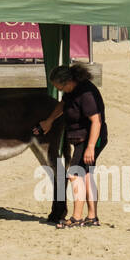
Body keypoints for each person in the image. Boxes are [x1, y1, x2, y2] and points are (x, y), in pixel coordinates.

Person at [32, 63, 107, 229]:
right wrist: (49, 121)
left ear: (68, 82)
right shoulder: (72, 90)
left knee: (75, 174)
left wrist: (90, 147)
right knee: (86, 175)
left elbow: (97, 121)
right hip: (82, 138)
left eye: (60, 87)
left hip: (91, 138)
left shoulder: (86, 93)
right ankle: (92, 217)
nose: (59, 90)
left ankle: (76, 217)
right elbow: (62, 105)